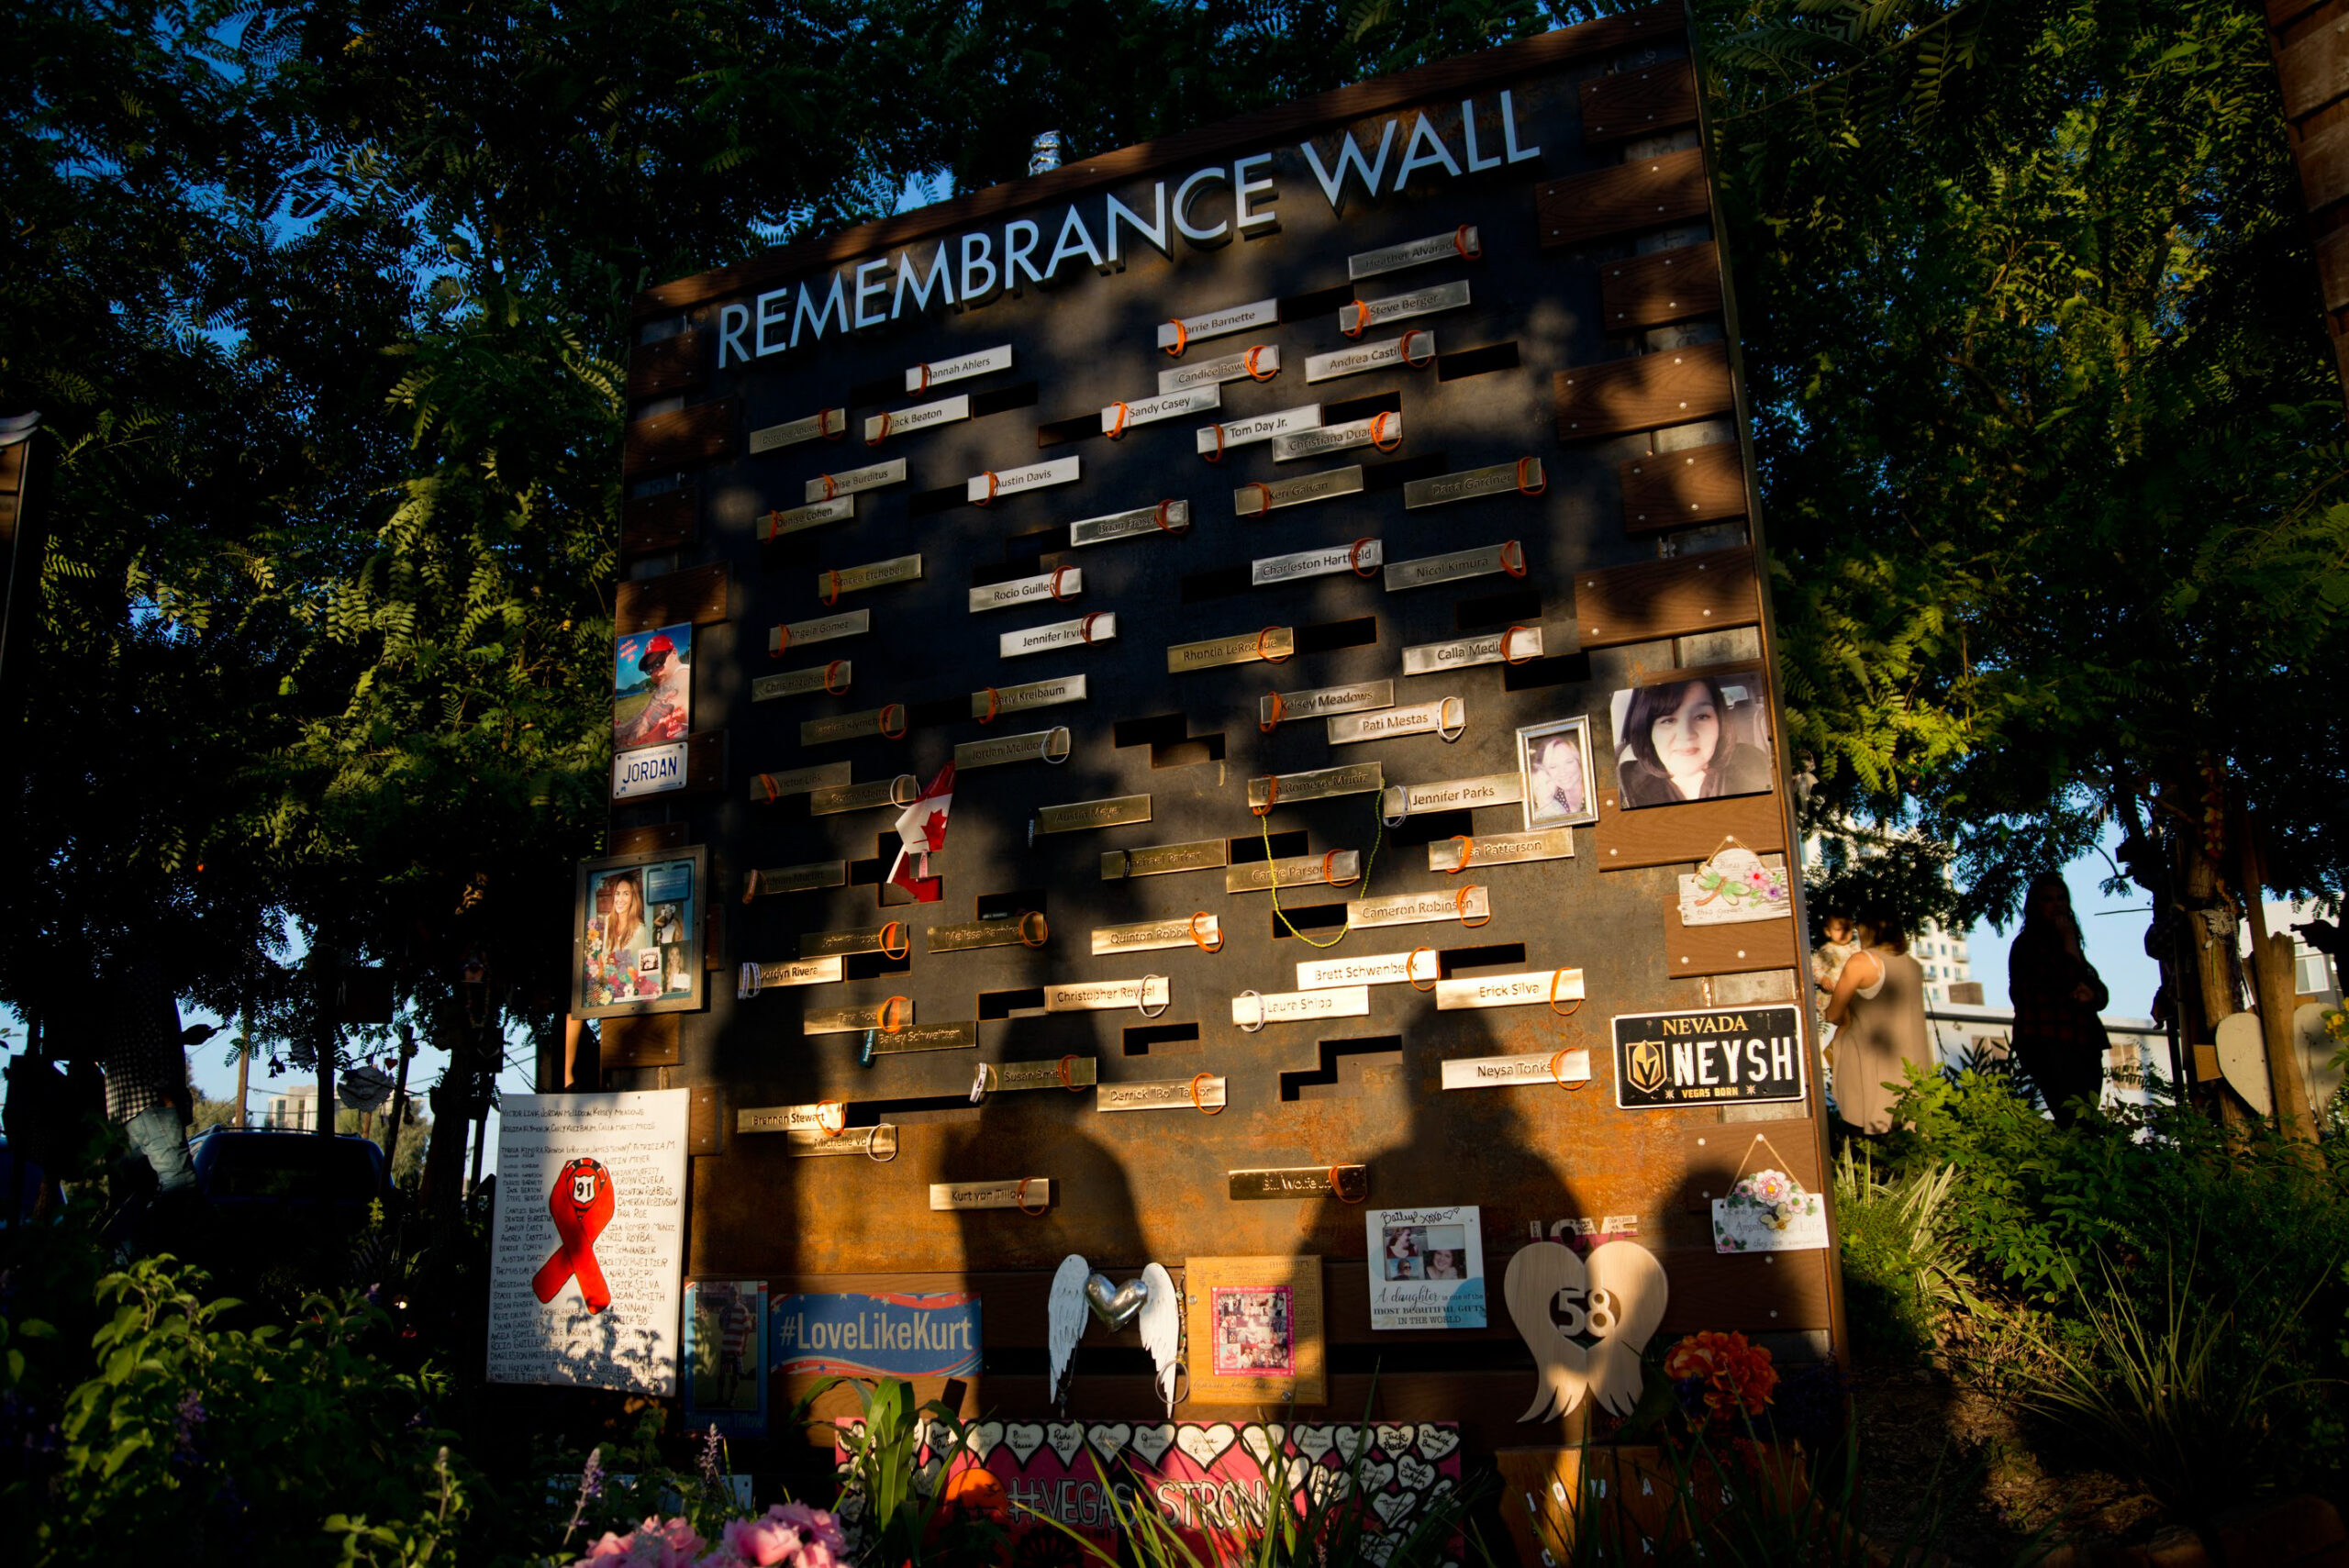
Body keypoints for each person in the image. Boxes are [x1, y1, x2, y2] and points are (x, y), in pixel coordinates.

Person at [2008, 873, 2110, 1128]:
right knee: (2072, 1117)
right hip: (2048, 1041)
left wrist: (2091, 994)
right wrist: (2068, 940)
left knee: (2085, 1114)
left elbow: (2097, 989)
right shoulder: (2028, 945)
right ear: (2035, 905)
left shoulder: (2067, 943)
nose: (2057, 905)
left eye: (2062, 899)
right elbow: (2068, 977)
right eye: (2049, 899)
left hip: (2082, 1041)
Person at [1824, 908, 1934, 1136]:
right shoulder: (1913, 966)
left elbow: (1833, 1014)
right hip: (1911, 1071)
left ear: (1867, 930)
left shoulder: (1862, 962)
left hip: (1868, 1070)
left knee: (1865, 1147)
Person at [1616, 677, 1775, 807]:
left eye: (1701, 717)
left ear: (1720, 723)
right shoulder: (1624, 789)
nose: (1686, 735)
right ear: (1648, 730)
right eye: (1668, 720)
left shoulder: (1753, 767)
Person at [616, 633, 690, 748]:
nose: (656, 672)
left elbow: (642, 726)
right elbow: (643, 715)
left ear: (674, 653)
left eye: (659, 662)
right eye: (650, 669)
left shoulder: (682, 677)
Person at [1526, 731, 1589, 824]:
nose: (1562, 772)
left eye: (1569, 762)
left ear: (1580, 762)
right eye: (1553, 766)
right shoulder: (1550, 800)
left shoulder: (1593, 793)